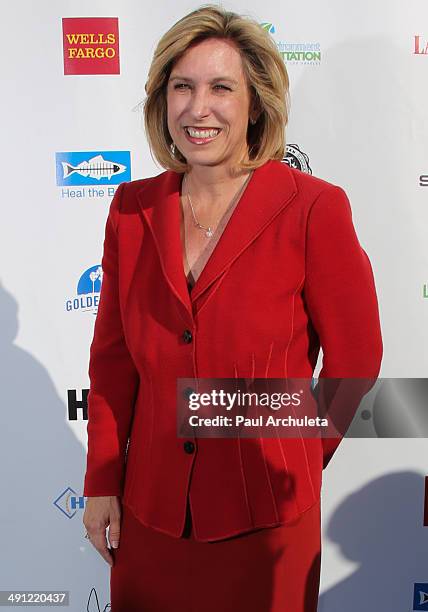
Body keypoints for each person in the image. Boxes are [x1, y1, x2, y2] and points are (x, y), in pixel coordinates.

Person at [82, 5, 383, 611]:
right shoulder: (132, 208)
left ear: (256, 104)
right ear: (161, 101)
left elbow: (356, 360)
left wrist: (296, 454)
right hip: (150, 515)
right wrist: (102, 483)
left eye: (222, 87)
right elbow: (113, 362)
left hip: (265, 522)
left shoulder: (312, 208)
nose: (199, 109)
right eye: (182, 87)